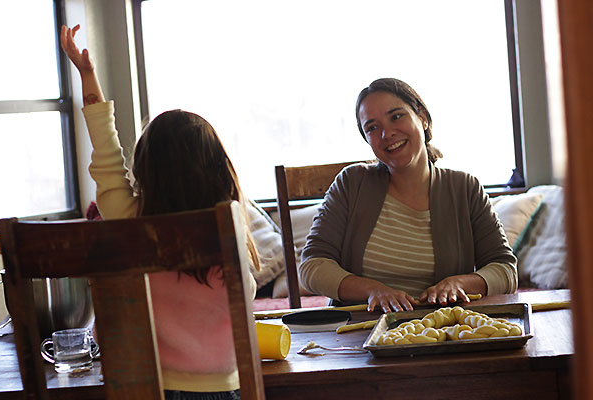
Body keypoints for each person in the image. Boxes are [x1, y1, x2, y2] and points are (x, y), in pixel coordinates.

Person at [61, 25, 259, 400]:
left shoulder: (128, 219)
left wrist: (87, 75)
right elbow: (246, 293)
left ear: (145, 170)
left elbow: (106, 154)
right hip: (221, 389)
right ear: (218, 168)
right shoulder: (226, 223)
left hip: (149, 387)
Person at [299, 78, 517, 313]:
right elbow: (313, 266)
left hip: (444, 330)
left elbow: (505, 270)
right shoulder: (351, 183)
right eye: (372, 127)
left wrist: (459, 283)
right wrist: (373, 290)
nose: (387, 133)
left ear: (422, 117)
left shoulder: (465, 188)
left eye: (396, 116)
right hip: (360, 334)